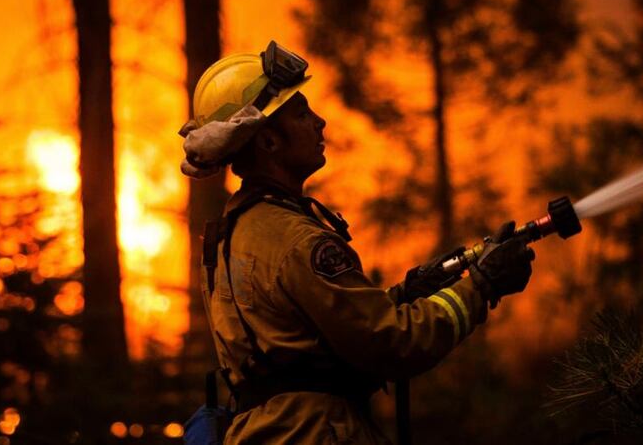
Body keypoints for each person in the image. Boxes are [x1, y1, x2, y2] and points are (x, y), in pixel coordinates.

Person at [180, 41, 534, 444]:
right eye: (301, 113)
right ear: (268, 142)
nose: (320, 122)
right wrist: (481, 285)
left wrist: (407, 295)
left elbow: (305, 345)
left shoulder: (229, 235)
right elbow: (391, 343)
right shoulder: (298, 240)